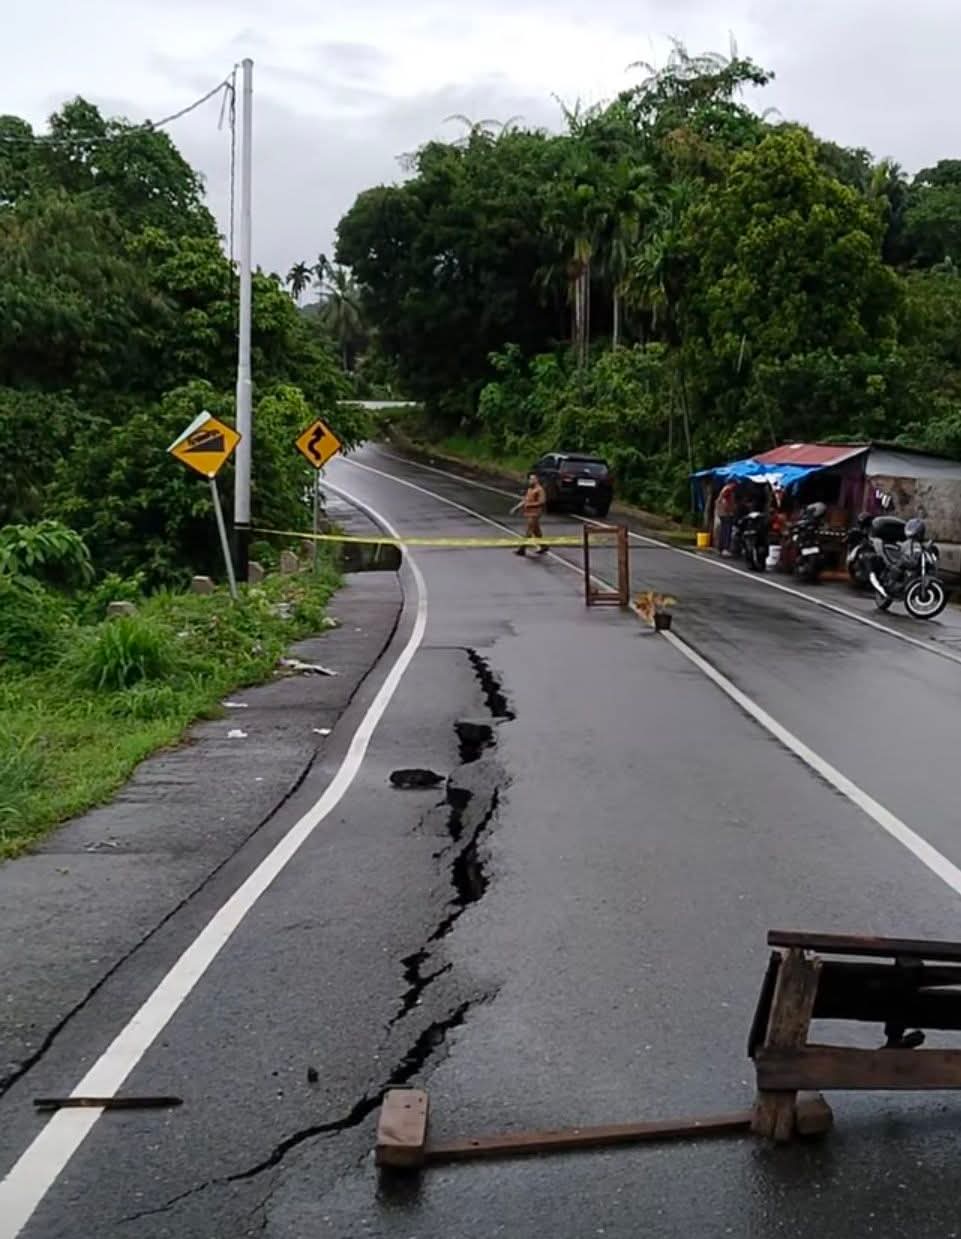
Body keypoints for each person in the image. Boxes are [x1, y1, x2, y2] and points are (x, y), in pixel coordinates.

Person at [511, 473, 548, 556]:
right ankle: (544, 546)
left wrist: (530, 505)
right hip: (528, 513)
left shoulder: (540, 490)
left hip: (535, 514)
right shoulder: (530, 489)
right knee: (536, 531)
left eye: (532, 479)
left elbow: (542, 502)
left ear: (537, 480)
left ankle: (522, 549)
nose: (530, 481)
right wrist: (516, 508)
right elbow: (525, 500)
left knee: (529, 531)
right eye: (530, 479)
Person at [715, 479, 737, 556]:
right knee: (726, 531)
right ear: (731, 483)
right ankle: (724, 548)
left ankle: (720, 548)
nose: (735, 486)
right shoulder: (728, 490)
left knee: (723, 530)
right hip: (726, 514)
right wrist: (729, 511)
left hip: (723, 513)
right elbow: (724, 501)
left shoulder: (725, 489)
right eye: (734, 484)